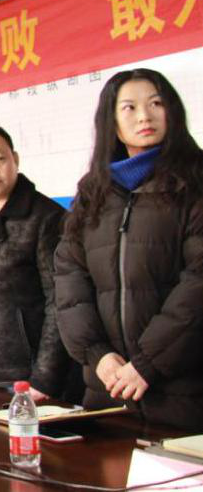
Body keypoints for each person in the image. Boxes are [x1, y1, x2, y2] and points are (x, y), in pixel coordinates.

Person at [55, 70, 203, 430]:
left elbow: (198, 280)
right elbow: (70, 278)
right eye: (129, 107)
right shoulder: (93, 193)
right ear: (113, 123)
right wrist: (97, 355)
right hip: (108, 390)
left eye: (156, 103)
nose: (144, 116)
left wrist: (147, 364)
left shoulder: (196, 181)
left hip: (184, 391)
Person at [0, 123, 74, 401]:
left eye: (0, 158)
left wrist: (45, 378)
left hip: (27, 378)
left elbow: (60, 302)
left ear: (15, 160)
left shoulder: (46, 218)